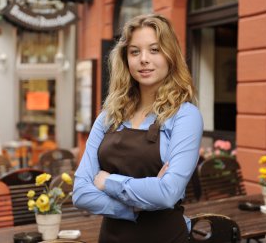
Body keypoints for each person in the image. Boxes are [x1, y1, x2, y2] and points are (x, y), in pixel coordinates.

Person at [72, 13, 203, 243]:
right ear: (126, 59)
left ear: (170, 56)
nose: (144, 59)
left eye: (154, 50)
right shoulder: (108, 116)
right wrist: (131, 208)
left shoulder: (185, 116)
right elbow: (81, 193)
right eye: (135, 51)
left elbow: (167, 193)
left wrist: (107, 181)